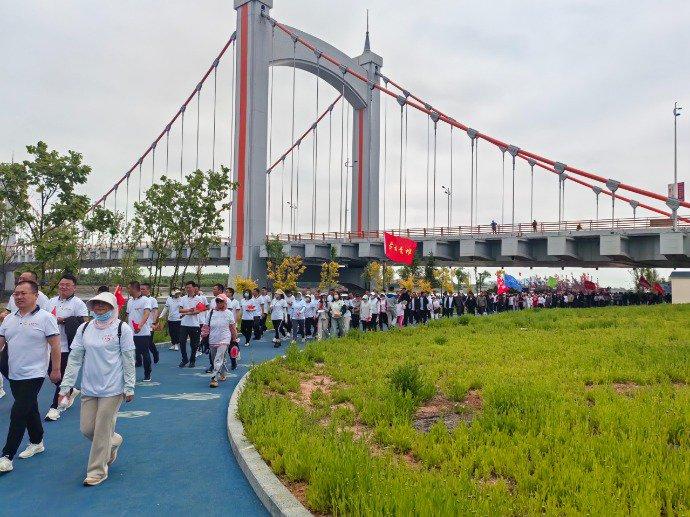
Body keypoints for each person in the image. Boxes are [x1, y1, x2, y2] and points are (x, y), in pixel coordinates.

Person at [58, 291, 135, 486]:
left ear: (112, 307)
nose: (99, 308)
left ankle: (97, 471)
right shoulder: (84, 328)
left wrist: (129, 386)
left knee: (101, 430)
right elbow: (75, 359)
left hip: (113, 387)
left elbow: (128, 358)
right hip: (89, 387)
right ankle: (114, 441)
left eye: (104, 305)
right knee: (87, 429)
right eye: (96, 305)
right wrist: (66, 386)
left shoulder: (121, 328)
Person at [0, 280, 61, 473]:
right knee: (30, 408)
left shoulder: (45, 318)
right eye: (16, 294)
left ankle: (7, 456)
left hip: (35, 373)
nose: (18, 297)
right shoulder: (8, 319)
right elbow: (1, 343)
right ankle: (37, 441)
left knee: (18, 412)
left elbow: (55, 345)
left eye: (23, 293)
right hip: (14, 373)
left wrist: (56, 369)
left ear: (36, 295)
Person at [45, 273, 89, 422]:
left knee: (61, 377)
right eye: (61, 284)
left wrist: (66, 321)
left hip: (67, 346)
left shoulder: (78, 303)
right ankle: (70, 390)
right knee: (52, 375)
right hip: (49, 346)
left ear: (74, 287)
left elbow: (85, 323)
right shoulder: (50, 302)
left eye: (67, 285)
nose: (63, 287)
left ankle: (55, 408)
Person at [201, 293, 238, 388]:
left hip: (225, 338)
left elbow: (232, 327)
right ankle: (223, 372)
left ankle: (214, 379)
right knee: (214, 359)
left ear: (225, 302)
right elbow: (206, 326)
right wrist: (203, 337)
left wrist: (234, 339)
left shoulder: (229, 313)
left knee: (218, 358)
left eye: (220, 301)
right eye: (217, 301)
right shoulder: (211, 312)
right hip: (213, 338)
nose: (218, 302)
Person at [125, 282, 153, 382]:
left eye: (129, 288)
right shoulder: (130, 301)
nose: (127, 290)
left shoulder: (146, 300)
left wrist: (140, 326)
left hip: (143, 333)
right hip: (130, 333)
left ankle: (147, 374)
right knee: (130, 354)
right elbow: (128, 315)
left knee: (144, 353)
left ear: (134, 289)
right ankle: (129, 375)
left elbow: (146, 314)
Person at [177, 281, 205, 368]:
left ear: (194, 288)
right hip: (184, 324)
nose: (188, 289)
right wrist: (190, 310)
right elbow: (180, 310)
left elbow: (198, 311)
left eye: (189, 287)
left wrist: (186, 313)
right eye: (187, 288)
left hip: (195, 324)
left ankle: (192, 360)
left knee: (194, 344)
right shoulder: (183, 298)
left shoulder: (199, 299)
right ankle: (184, 359)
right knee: (182, 342)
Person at [140, 283, 159, 365]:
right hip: (140, 325)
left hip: (149, 325)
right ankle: (139, 360)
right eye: (140, 289)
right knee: (139, 343)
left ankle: (155, 353)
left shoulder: (152, 300)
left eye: (143, 289)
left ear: (148, 290)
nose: (141, 290)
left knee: (149, 343)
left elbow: (155, 311)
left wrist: (154, 322)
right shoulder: (138, 299)